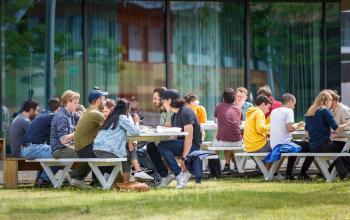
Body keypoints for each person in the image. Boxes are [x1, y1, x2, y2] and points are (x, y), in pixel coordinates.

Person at [93, 99, 149, 191]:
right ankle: (132, 177)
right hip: (107, 151)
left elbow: (116, 135)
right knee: (127, 153)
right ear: (126, 110)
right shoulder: (122, 117)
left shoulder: (111, 118)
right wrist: (137, 122)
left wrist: (129, 142)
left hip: (98, 150)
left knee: (127, 149)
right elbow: (136, 132)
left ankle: (131, 178)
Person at [155, 89, 202, 189]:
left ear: (169, 101)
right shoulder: (174, 115)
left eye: (163, 101)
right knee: (152, 147)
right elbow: (175, 136)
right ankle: (166, 176)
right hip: (182, 143)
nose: (162, 104)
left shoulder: (186, 112)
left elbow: (189, 137)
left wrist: (184, 158)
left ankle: (179, 175)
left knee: (162, 146)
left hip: (192, 146)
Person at [50, 90, 90, 188]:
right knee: (90, 154)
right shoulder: (61, 117)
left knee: (91, 151)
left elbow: (83, 120)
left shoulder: (71, 114)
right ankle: (75, 177)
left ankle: (75, 176)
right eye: (75, 103)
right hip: (59, 150)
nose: (77, 105)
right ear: (68, 102)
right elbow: (63, 140)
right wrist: (78, 132)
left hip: (68, 147)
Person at [269, 93, 311, 180]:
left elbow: (283, 126)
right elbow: (290, 128)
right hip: (284, 145)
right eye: (294, 104)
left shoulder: (274, 111)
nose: (294, 107)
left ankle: (289, 174)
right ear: (291, 101)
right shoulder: (288, 111)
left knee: (295, 145)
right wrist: (298, 125)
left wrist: (295, 125)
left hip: (274, 144)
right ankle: (303, 173)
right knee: (312, 147)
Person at [21, 98, 61, 187]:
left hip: (28, 149)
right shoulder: (52, 116)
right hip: (32, 148)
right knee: (60, 154)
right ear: (58, 109)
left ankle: (40, 180)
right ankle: (43, 180)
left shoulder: (43, 115)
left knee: (51, 153)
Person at [73, 89, 107, 185]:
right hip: (86, 149)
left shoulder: (88, 112)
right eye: (103, 99)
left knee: (102, 151)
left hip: (81, 149)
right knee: (110, 154)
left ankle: (75, 176)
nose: (105, 102)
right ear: (97, 100)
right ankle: (107, 182)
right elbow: (111, 129)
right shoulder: (96, 114)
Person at [214, 88, 242, 173]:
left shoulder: (218, 106)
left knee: (213, 146)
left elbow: (216, 122)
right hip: (238, 141)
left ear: (223, 98)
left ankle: (216, 167)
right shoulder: (238, 109)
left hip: (224, 141)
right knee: (228, 136)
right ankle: (228, 164)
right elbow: (240, 123)